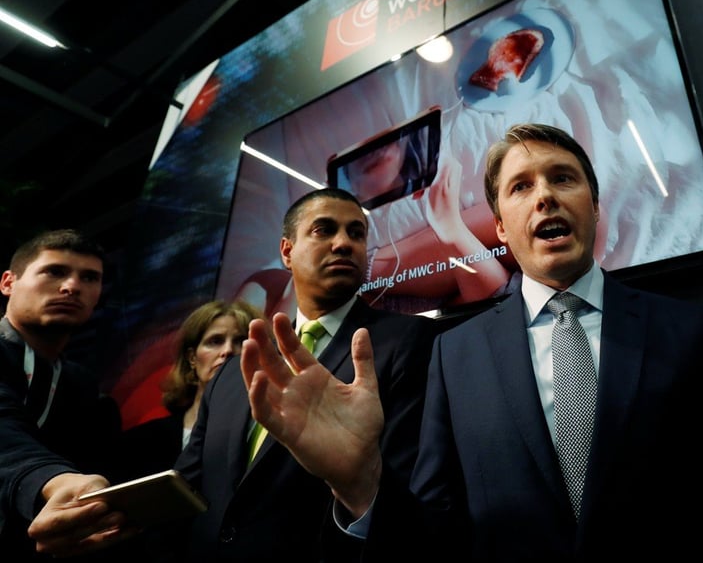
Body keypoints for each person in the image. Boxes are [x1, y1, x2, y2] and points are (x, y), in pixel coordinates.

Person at [241, 123, 703, 561]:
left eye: (563, 178)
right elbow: (436, 530)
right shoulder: (454, 356)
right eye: (521, 187)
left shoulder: (691, 332)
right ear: (503, 229)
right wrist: (360, 488)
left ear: (593, 203)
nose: (545, 195)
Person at [171, 187, 438, 562]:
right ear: (286, 251)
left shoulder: (412, 342)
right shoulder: (234, 370)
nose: (344, 243)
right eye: (324, 230)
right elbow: (186, 485)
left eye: (356, 233)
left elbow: (411, 486)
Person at [0, 229, 129, 560]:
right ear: (8, 283)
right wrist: (54, 480)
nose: (72, 286)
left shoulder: (86, 390)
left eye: (89, 278)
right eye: (54, 271)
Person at [112, 299, 263, 482]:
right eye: (215, 341)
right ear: (192, 358)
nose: (228, 350)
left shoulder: (264, 433)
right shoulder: (142, 442)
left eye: (241, 341)